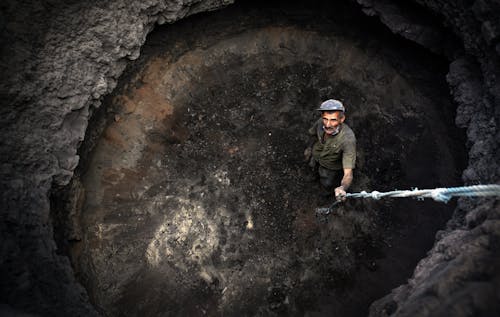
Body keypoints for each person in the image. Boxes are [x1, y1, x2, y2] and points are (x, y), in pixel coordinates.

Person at [304, 99, 356, 201]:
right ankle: (313, 178)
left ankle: (324, 196)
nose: (327, 125)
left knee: (326, 183)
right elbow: (312, 134)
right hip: (316, 154)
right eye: (325, 119)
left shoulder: (348, 140)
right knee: (311, 167)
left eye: (333, 120)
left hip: (329, 167)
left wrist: (342, 188)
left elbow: (348, 174)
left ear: (342, 119)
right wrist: (309, 148)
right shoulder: (320, 123)